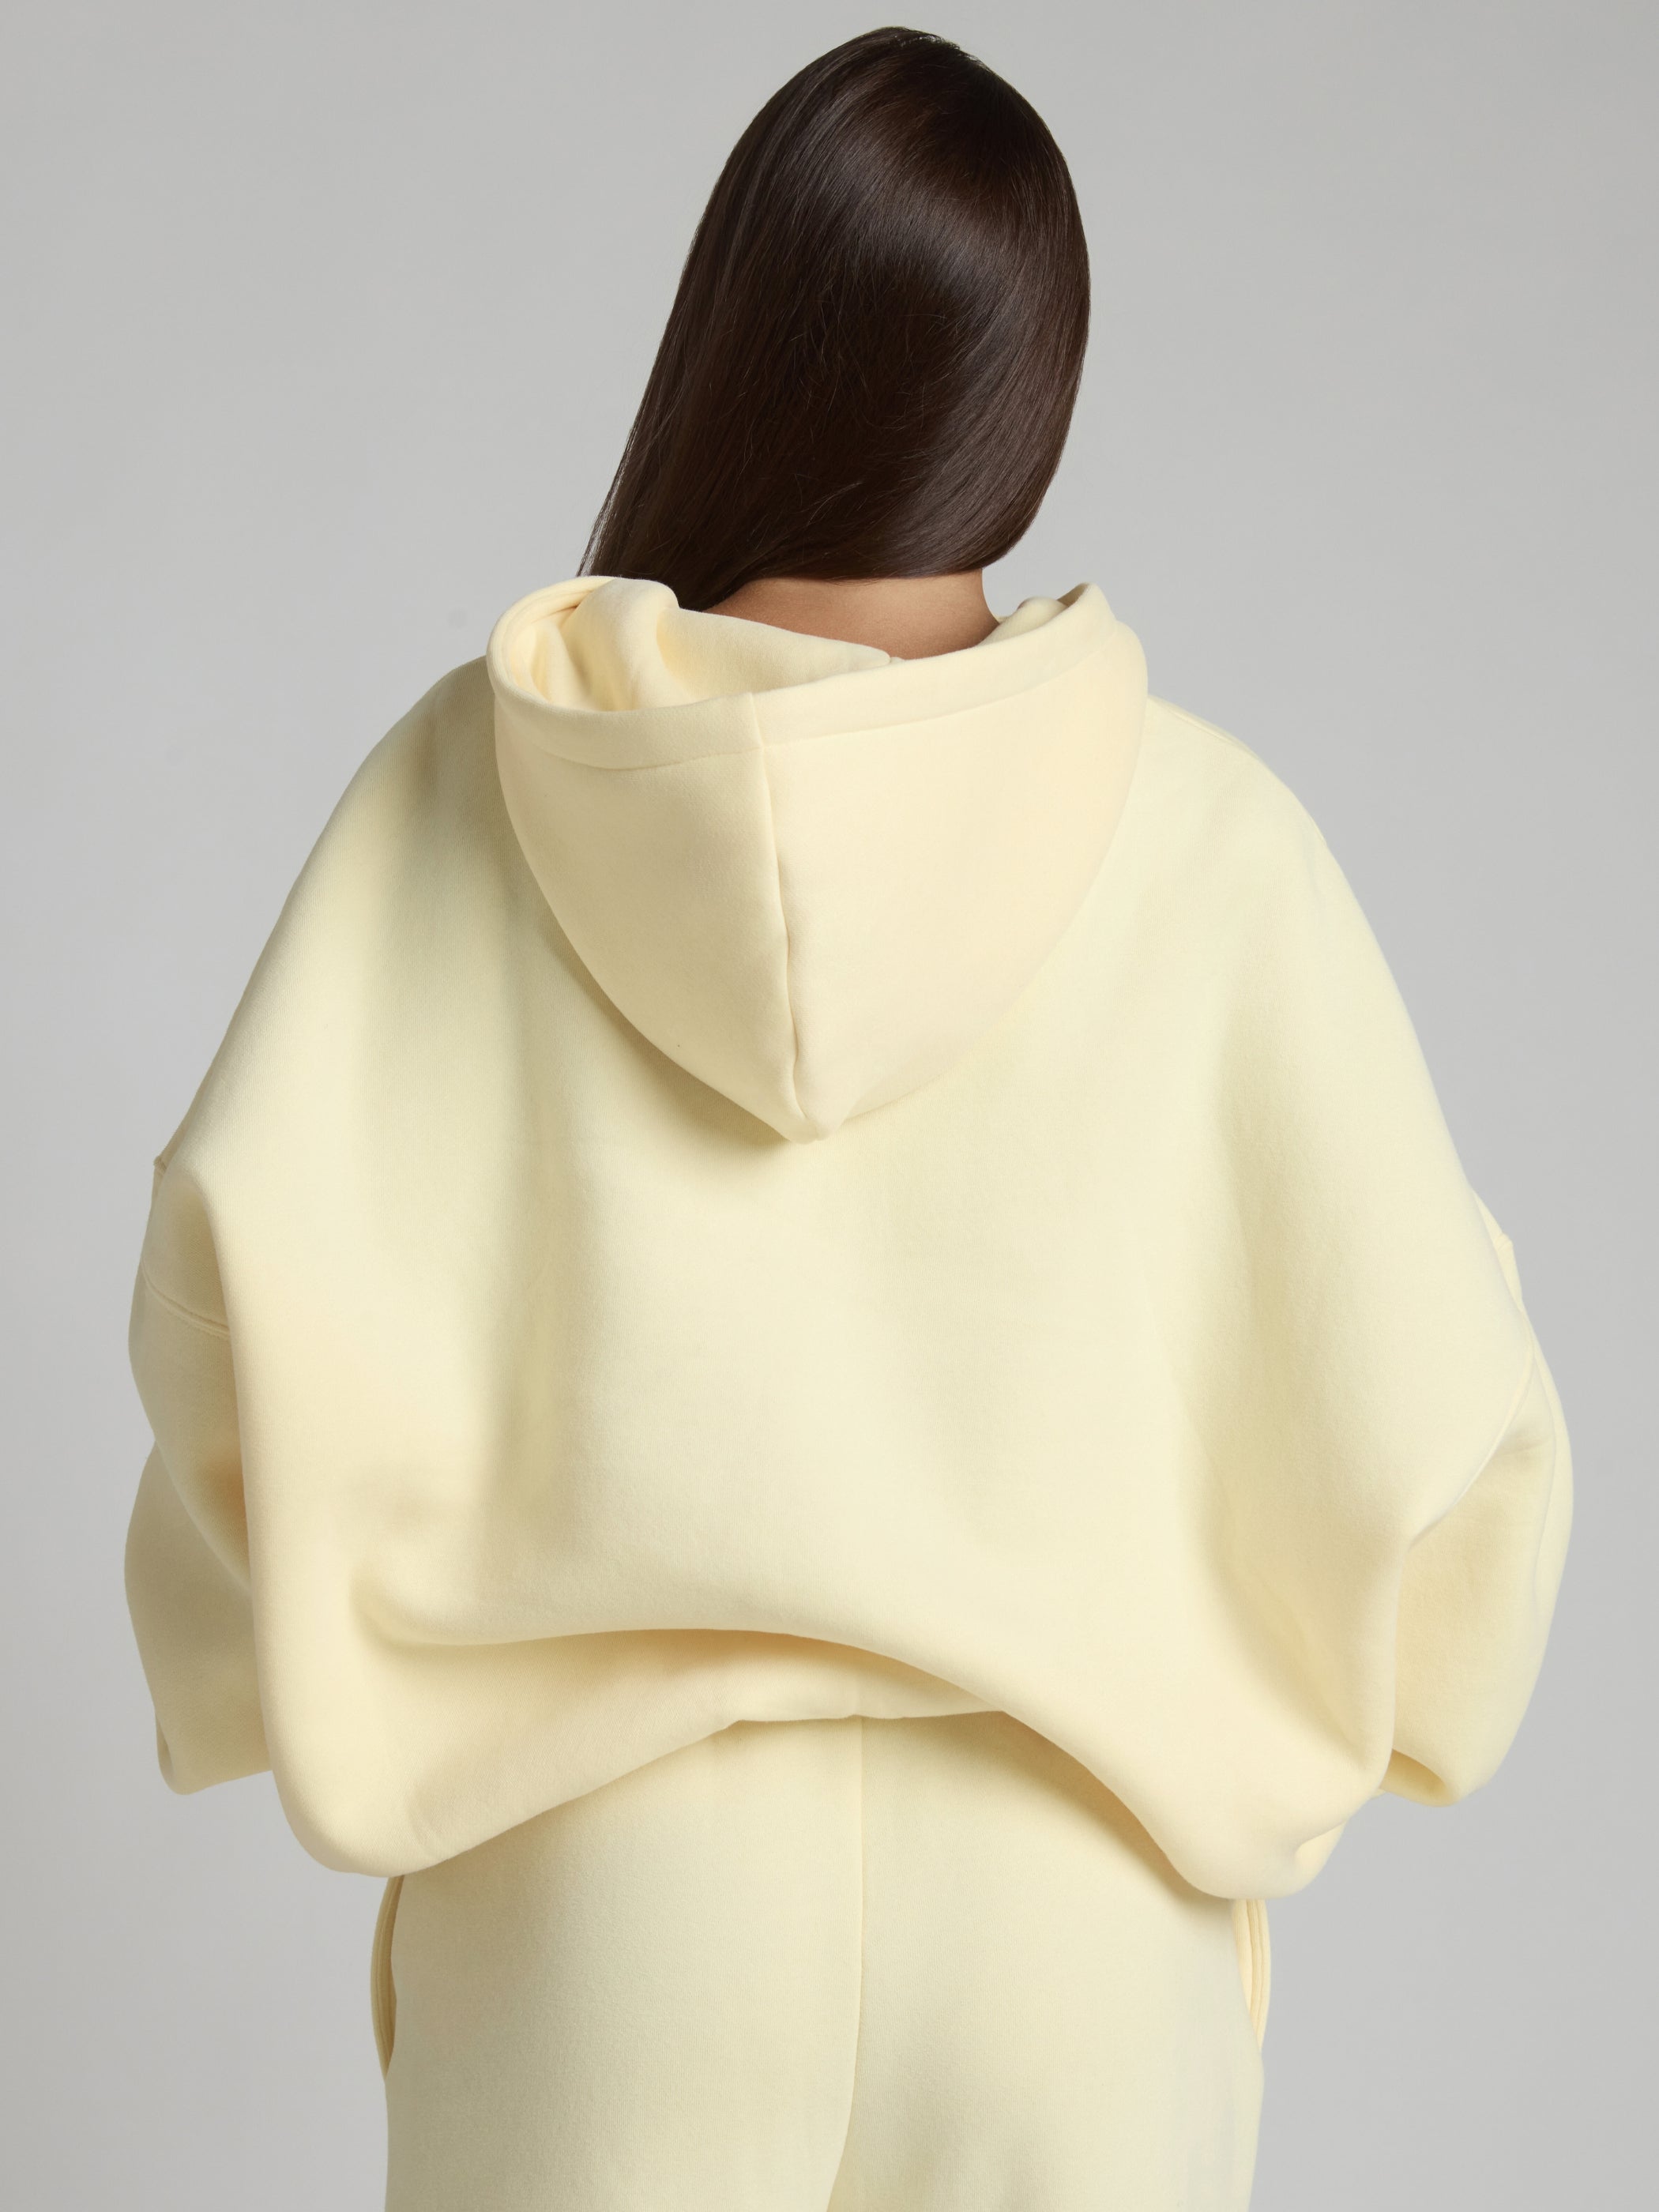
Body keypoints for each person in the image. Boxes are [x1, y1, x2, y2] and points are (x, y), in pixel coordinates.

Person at [122, 26, 1571, 2211]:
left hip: (595, 1924)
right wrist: (1381, 1698)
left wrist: (293, 1650)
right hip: (1079, 1921)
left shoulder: (460, 798)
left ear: (738, 341)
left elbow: (233, 1329)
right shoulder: (1214, 845)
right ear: (1027, 394)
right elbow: (1447, 1430)